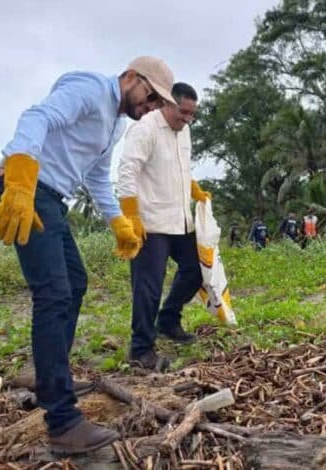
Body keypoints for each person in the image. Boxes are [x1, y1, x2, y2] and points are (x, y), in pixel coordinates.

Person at [0, 57, 175, 455]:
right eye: (151, 97)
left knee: (74, 284)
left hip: (49, 197)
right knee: (54, 293)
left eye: (158, 104)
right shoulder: (90, 88)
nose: (151, 108)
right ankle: (62, 422)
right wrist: (19, 183)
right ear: (131, 77)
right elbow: (36, 118)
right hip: (25, 188)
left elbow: (95, 177)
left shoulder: (114, 122)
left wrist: (119, 222)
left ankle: (49, 375)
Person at [117, 82, 210, 371]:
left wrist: (194, 189)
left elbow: (181, 168)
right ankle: (141, 348)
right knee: (148, 287)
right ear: (167, 103)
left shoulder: (185, 131)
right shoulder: (144, 128)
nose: (187, 119)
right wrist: (129, 216)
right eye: (183, 112)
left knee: (197, 269)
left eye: (192, 114)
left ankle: (168, 319)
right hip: (151, 223)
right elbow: (127, 171)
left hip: (180, 219)